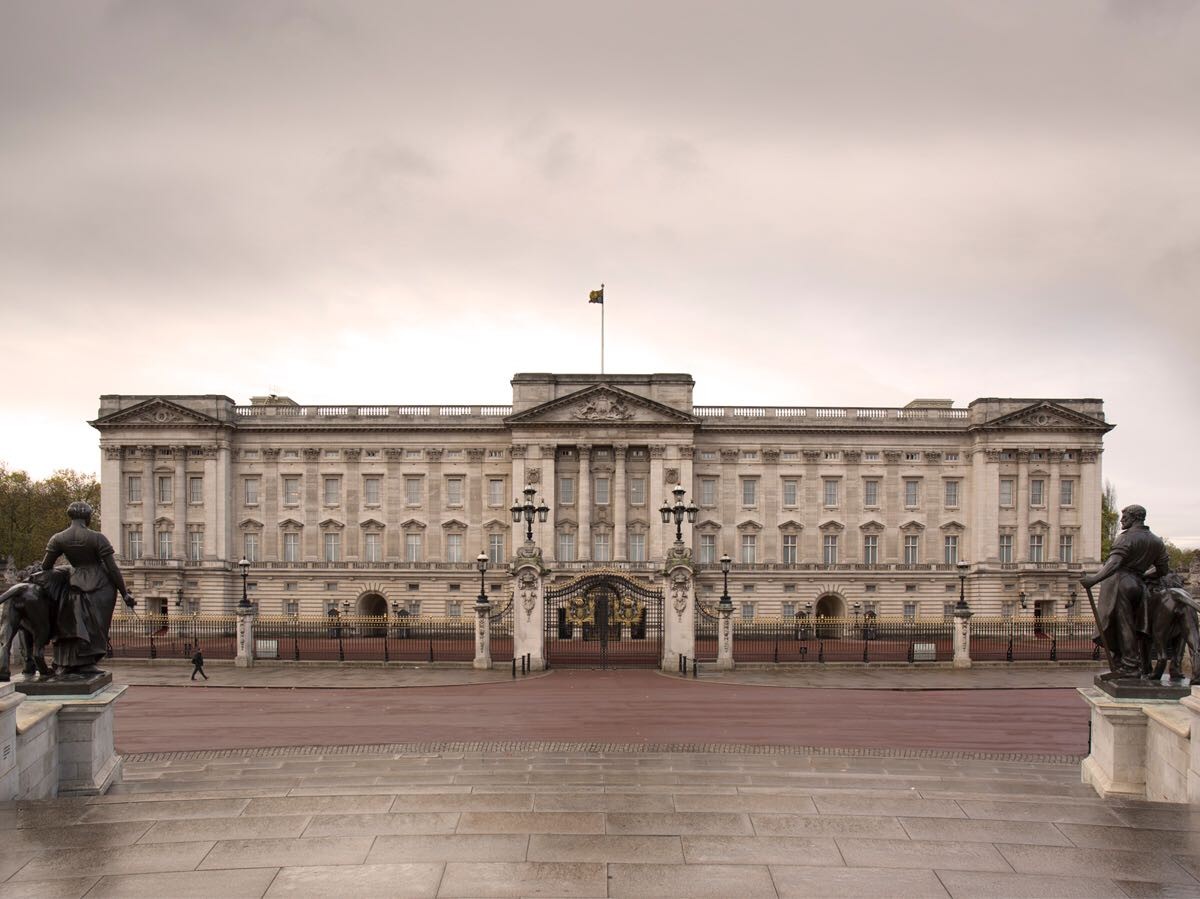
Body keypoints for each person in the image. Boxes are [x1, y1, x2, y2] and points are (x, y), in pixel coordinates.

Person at [40, 501, 135, 678]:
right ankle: (87, 663)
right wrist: (125, 593)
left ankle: (67, 663)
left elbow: (46, 566)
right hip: (100, 585)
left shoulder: (58, 538)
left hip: (73, 583)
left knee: (73, 623)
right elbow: (112, 568)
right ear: (88, 517)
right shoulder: (97, 537)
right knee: (96, 625)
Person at [1080, 504, 1170, 678]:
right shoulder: (1156, 541)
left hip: (1120, 583)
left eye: (1125, 516)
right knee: (1129, 625)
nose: (1121, 520)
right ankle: (1123, 661)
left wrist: (1093, 579)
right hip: (1138, 585)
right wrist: (1143, 575)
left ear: (1135, 517)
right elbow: (1162, 570)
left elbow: (1114, 564)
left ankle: (1130, 665)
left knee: (1122, 624)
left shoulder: (1126, 537)